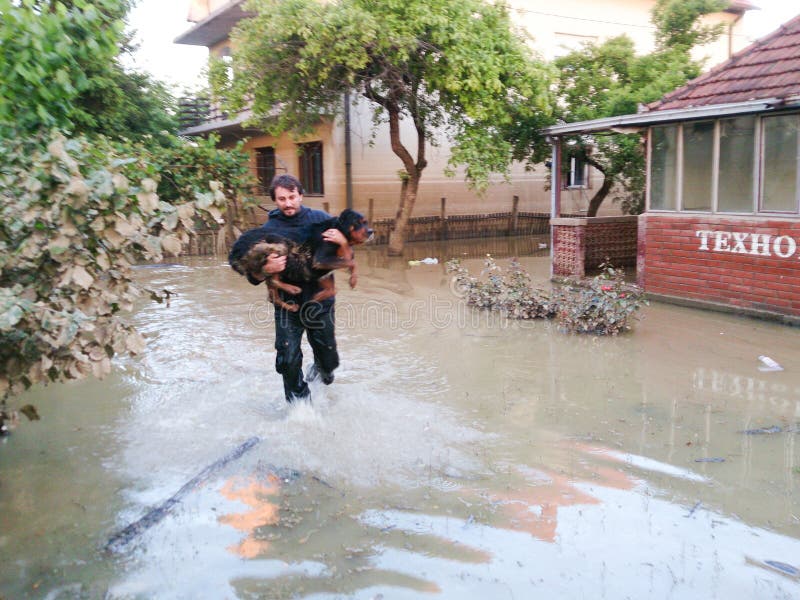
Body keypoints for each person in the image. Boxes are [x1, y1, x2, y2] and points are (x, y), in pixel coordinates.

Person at [247, 174, 348, 403]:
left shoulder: (321, 220)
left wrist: (342, 242)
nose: (288, 203)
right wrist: (266, 267)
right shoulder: (268, 231)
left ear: (301, 195)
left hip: (320, 304)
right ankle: (300, 407)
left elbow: (343, 256)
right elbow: (252, 276)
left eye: (292, 197)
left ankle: (321, 371)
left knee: (327, 363)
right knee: (288, 359)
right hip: (287, 307)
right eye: (282, 199)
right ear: (275, 200)